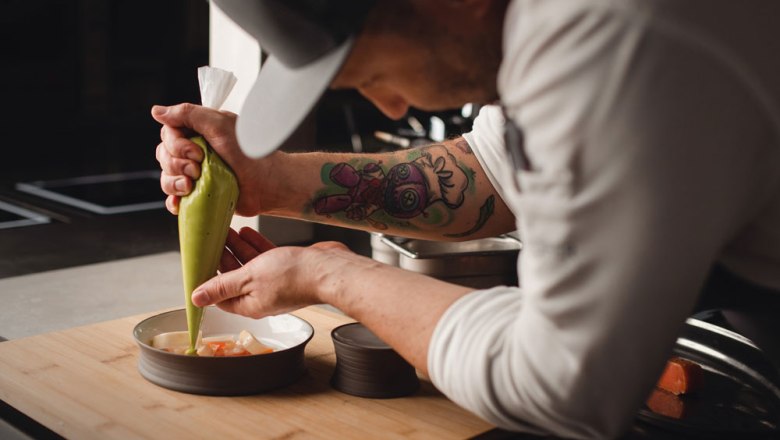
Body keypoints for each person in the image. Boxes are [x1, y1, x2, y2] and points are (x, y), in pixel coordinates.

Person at [153, 0, 780, 438]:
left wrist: (330, 277)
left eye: (372, 73)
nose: (389, 103)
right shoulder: (557, 24)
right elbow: (495, 169)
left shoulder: (615, 40)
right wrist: (275, 181)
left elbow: (563, 383)